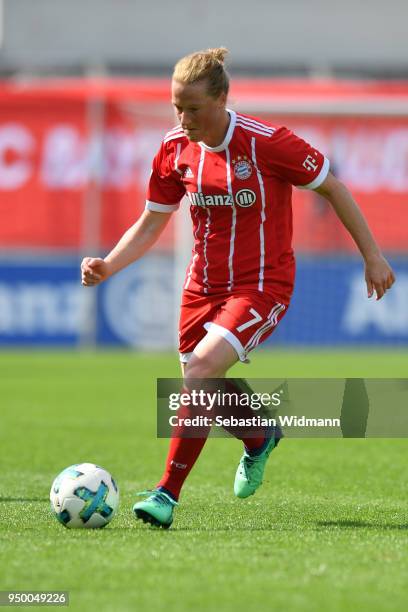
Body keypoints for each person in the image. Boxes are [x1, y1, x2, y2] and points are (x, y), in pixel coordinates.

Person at [81, 48, 395, 529]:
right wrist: (110, 264)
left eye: (193, 108)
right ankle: (258, 435)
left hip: (262, 285)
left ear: (223, 99)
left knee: (202, 368)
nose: (183, 118)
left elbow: (332, 186)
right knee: (199, 375)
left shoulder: (268, 143)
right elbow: (151, 222)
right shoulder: (173, 148)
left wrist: (372, 255)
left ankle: (166, 493)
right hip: (201, 285)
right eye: (176, 107)